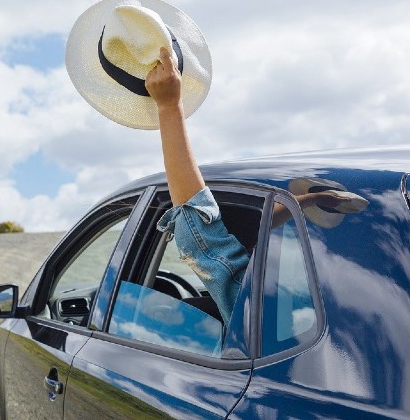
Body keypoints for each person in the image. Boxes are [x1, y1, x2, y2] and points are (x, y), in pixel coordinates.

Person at [145, 47, 347, 325]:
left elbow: (200, 233)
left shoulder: (258, 307)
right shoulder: (335, 297)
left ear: (249, 247)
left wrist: (168, 108)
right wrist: (308, 200)